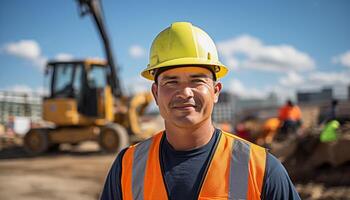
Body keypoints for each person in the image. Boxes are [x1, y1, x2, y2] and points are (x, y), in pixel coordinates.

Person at [101, 22, 301, 200]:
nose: (185, 92)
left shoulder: (261, 169)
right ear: (155, 93)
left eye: (197, 80)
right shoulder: (127, 167)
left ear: (215, 91)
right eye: (171, 82)